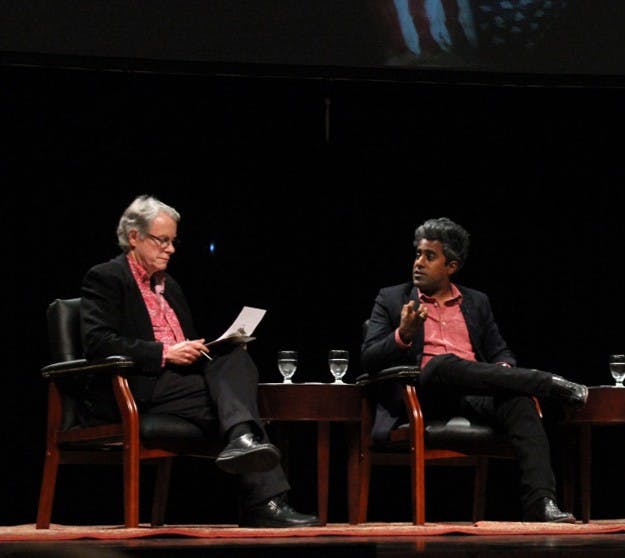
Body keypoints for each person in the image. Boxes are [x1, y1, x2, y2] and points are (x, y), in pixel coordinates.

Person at [80, 194, 321, 528]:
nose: (171, 249)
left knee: (235, 359)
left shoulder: (171, 286)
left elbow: (187, 344)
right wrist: (165, 352)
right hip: (137, 386)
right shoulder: (106, 277)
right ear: (134, 237)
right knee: (237, 406)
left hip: (181, 382)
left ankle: (244, 446)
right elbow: (97, 342)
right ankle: (264, 500)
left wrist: (210, 348)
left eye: (173, 241)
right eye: (161, 240)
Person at [360, 217, 588, 523]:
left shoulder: (477, 302)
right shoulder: (391, 299)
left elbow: (499, 352)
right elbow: (369, 360)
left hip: (474, 391)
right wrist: (403, 335)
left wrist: (504, 371)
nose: (419, 263)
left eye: (430, 256)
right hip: (423, 394)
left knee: (519, 403)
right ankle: (546, 383)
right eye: (418, 254)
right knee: (443, 363)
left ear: (451, 266)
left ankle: (541, 502)